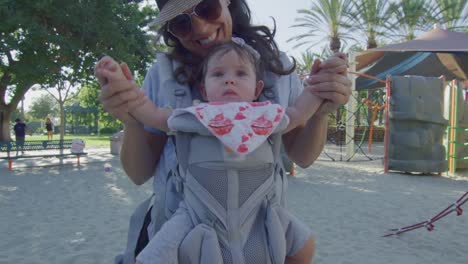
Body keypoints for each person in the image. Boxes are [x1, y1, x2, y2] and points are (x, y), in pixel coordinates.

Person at [95, 0, 351, 263]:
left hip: (260, 232)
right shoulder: (165, 78)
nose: (200, 27)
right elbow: (141, 166)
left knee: (305, 245)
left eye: (207, 8)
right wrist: (130, 112)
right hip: (187, 225)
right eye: (181, 23)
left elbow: (302, 148)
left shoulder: (276, 68)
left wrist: (321, 99)